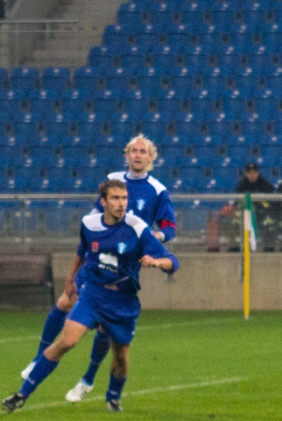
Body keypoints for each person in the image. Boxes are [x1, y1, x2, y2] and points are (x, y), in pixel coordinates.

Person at [21, 134, 177, 404]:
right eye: (133, 151)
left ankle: (88, 379)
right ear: (126, 154)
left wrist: (151, 240)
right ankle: (38, 359)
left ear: (151, 157)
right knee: (65, 300)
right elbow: (96, 215)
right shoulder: (113, 179)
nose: (137, 155)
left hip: (124, 263)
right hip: (100, 254)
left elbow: (170, 228)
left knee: (107, 328)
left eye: (143, 151)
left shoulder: (158, 189)